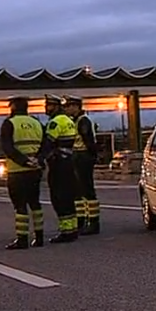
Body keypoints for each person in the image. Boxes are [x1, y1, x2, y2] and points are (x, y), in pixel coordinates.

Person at [0, 95, 46, 249]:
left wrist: (23, 161)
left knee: (20, 205)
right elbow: (45, 145)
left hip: (17, 170)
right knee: (35, 202)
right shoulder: (36, 123)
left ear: (12, 107)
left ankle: (22, 238)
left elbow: (8, 148)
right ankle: (39, 236)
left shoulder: (9, 123)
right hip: (35, 170)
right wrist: (37, 160)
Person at [36, 94, 79, 243]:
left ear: (56, 106)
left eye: (48, 106)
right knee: (68, 197)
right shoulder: (69, 121)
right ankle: (73, 229)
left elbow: (48, 143)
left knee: (59, 197)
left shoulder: (55, 123)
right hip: (68, 162)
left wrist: (39, 158)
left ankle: (66, 231)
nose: (46, 109)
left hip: (58, 164)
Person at [63, 94, 100, 235]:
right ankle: (81, 220)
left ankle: (93, 222)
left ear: (76, 107)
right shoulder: (76, 120)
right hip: (77, 156)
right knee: (78, 191)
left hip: (83, 156)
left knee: (87, 190)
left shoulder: (83, 121)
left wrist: (91, 156)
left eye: (68, 106)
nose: (66, 109)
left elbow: (88, 140)